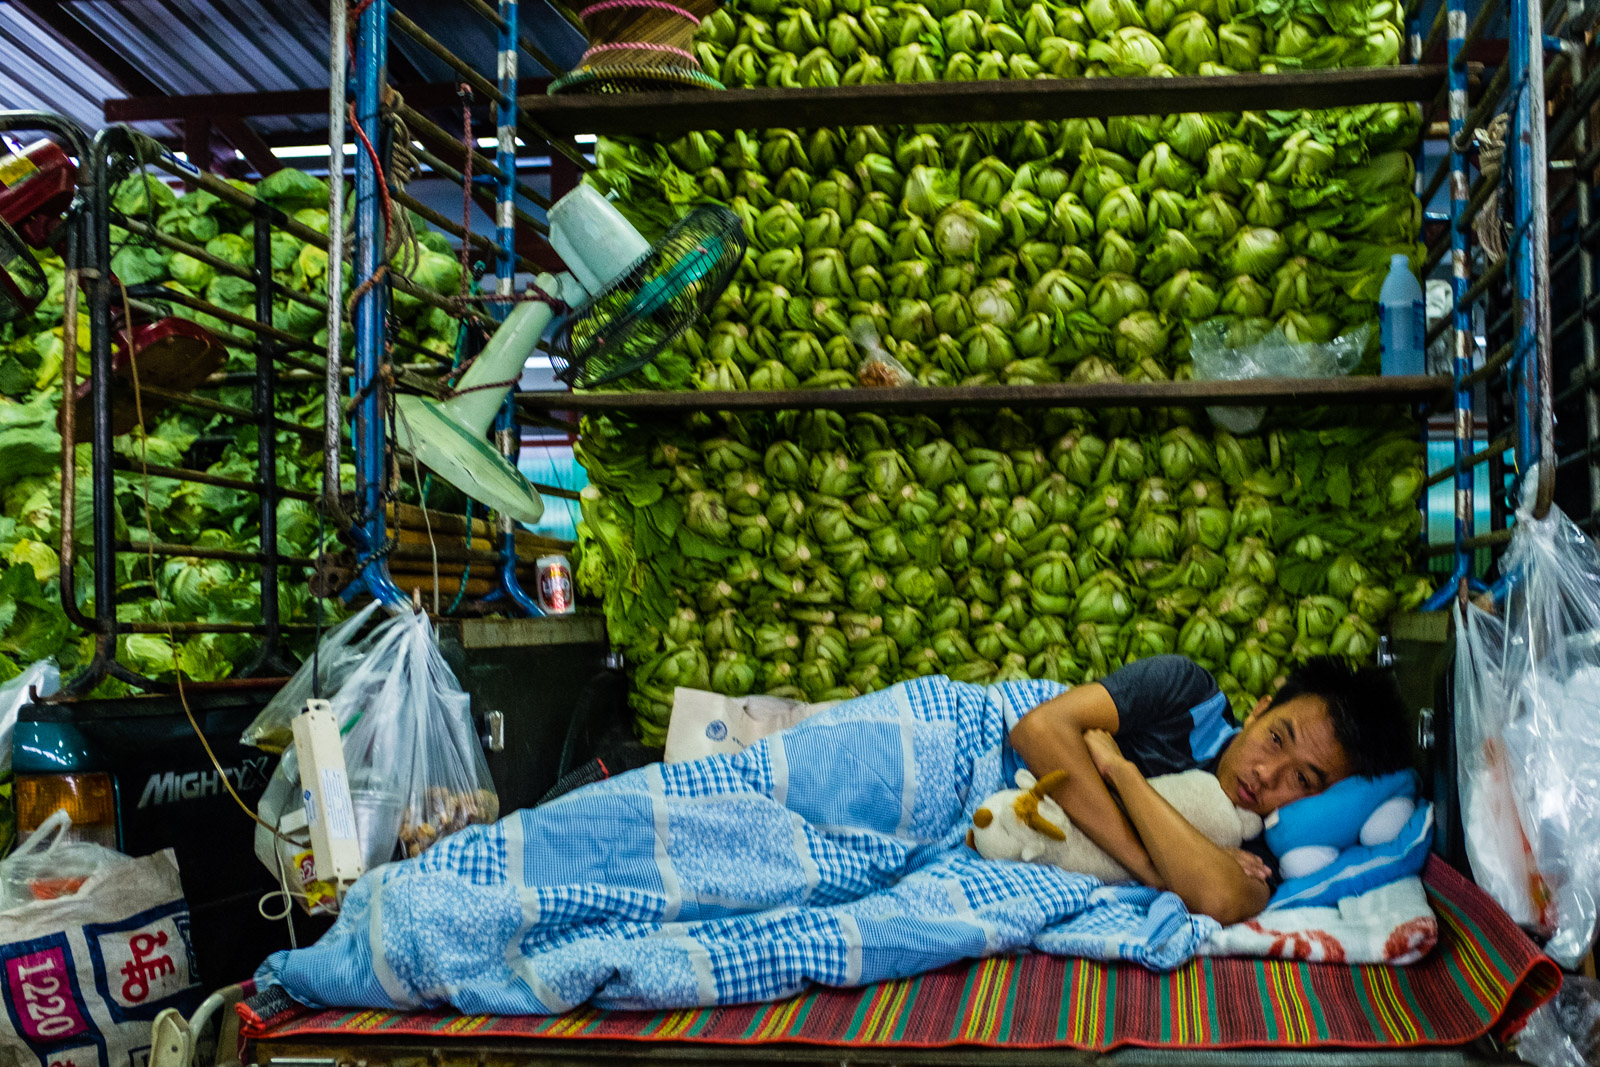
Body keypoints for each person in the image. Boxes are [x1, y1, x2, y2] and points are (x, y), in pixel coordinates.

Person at [1008, 654, 1411, 925]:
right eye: (1275, 738)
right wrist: (1156, 867)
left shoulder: (1269, 842)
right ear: (1259, 711)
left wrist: (1123, 773)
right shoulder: (1187, 696)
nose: (1266, 774)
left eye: (1302, 779)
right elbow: (1039, 729)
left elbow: (1220, 899)